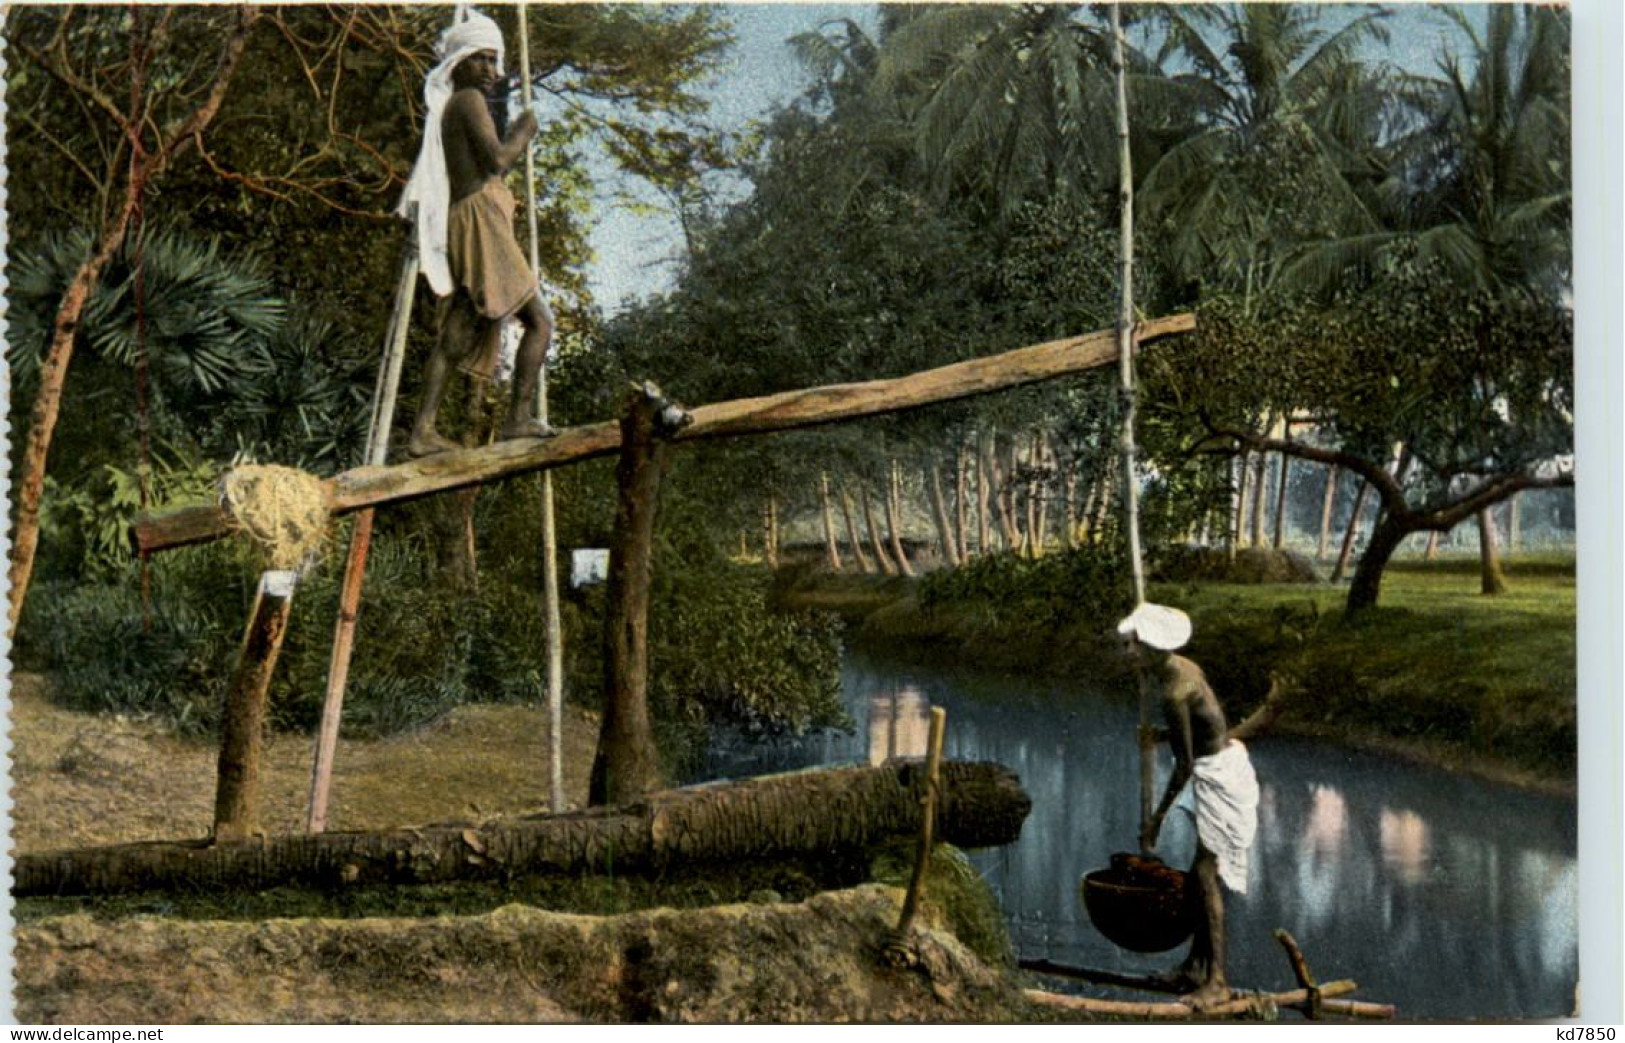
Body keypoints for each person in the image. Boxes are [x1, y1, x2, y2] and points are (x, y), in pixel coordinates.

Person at [397, 9, 556, 457]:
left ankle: (422, 431)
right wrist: (525, 129)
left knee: (458, 331)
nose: (491, 70)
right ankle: (517, 419)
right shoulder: (466, 101)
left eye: (494, 60)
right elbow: (497, 160)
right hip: (479, 223)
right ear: (460, 62)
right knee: (540, 322)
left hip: (471, 219)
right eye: (481, 59)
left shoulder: (457, 106)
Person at [1119, 601, 1260, 1008]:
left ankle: (1217, 980)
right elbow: (1203, 727)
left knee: (1203, 876)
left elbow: (1185, 764)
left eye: (1136, 646)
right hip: (1215, 764)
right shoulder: (1180, 668)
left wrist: (1156, 821)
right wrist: (1160, 737)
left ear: (1153, 648)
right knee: (1201, 875)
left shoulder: (1172, 688)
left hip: (1220, 776)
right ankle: (1196, 968)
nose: (1130, 654)